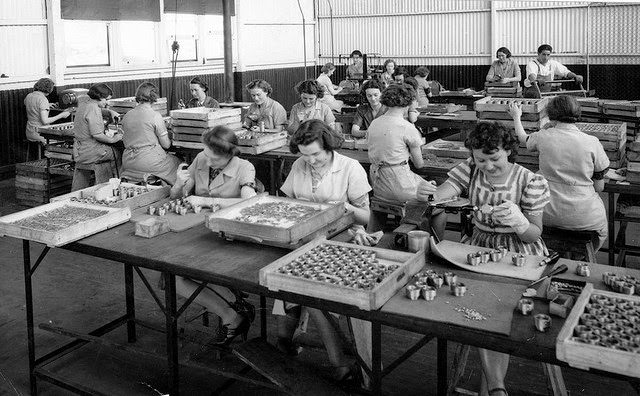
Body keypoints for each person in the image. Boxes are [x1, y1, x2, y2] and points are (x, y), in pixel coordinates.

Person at [417, 122, 550, 396]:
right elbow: (448, 189)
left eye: (495, 159)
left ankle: (495, 386)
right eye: (481, 159)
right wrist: (431, 194)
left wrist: (519, 222)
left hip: (518, 252)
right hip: (479, 248)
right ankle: (495, 388)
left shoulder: (530, 181)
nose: (487, 166)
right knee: (480, 310)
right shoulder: (470, 169)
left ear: (509, 152)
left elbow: (533, 234)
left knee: (495, 314)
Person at [276, 119, 374, 384]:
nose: (310, 161)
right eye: (304, 155)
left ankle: (338, 362)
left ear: (328, 146)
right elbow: (287, 201)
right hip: (303, 240)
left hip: (340, 241)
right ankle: (286, 340)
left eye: (316, 154)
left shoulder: (350, 168)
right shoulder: (299, 164)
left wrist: (341, 207)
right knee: (284, 281)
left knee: (310, 295)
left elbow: (365, 217)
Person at [170, 126, 257, 345]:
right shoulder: (202, 157)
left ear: (230, 155)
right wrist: (179, 183)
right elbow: (177, 194)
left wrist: (207, 201)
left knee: (177, 276)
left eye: (214, 160)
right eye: (206, 155)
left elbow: (251, 202)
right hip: (198, 232)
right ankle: (235, 307)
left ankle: (231, 315)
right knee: (172, 275)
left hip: (229, 238)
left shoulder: (244, 168)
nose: (207, 163)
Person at [509, 95, 609, 249]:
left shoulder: (543, 136)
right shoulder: (592, 142)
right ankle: (577, 258)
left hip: (546, 215)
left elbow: (523, 137)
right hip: (585, 219)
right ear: (577, 114)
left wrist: (516, 116)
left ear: (550, 115)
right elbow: (599, 187)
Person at [367, 84, 426, 232]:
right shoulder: (406, 127)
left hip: (377, 184)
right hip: (398, 186)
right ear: (408, 103)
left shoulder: (374, 123)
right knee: (437, 199)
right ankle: (429, 246)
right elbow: (419, 164)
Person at [121, 82, 181, 184]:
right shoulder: (155, 116)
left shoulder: (127, 115)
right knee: (177, 162)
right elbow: (166, 145)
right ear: (154, 97)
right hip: (148, 163)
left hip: (128, 161)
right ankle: (177, 193)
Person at [71, 83, 123, 191]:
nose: (107, 103)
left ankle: (78, 190)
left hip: (78, 150)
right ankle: (111, 189)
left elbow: (95, 111)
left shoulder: (84, 103)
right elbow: (97, 135)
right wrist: (114, 139)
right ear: (100, 97)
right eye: (106, 100)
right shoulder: (93, 109)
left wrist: (109, 111)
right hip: (91, 151)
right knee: (117, 154)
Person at [23, 78, 71, 157]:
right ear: (49, 89)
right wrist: (62, 115)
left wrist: (47, 105)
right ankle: (55, 162)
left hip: (29, 132)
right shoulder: (43, 99)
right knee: (62, 143)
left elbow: (31, 105)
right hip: (40, 134)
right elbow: (45, 121)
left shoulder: (29, 96)